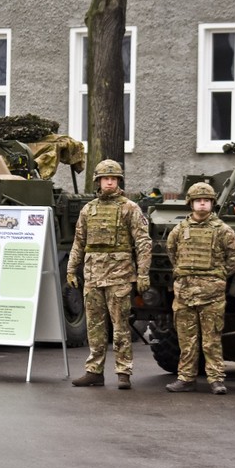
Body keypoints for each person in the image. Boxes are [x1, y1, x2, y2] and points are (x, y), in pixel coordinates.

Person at [67, 159, 152, 390]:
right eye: (106, 178)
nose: (110, 182)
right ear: (98, 181)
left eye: (113, 179)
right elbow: (79, 242)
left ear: (119, 181)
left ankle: (123, 372)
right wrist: (71, 269)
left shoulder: (130, 208)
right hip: (93, 275)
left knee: (120, 325)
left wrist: (143, 274)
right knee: (94, 326)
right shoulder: (88, 209)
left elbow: (143, 243)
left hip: (120, 276)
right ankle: (94, 371)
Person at [165, 182, 235, 395]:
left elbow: (234, 258)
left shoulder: (223, 231)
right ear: (191, 203)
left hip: (211, 294)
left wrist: (216, 276)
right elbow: (172, 252)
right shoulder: (179, 230)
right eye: (198, 200)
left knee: (211, 339)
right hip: (184, 293)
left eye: (206, 200)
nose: (202, 204)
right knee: (186, 340)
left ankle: (216, 379)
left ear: (212, 204)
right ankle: (186, 378)